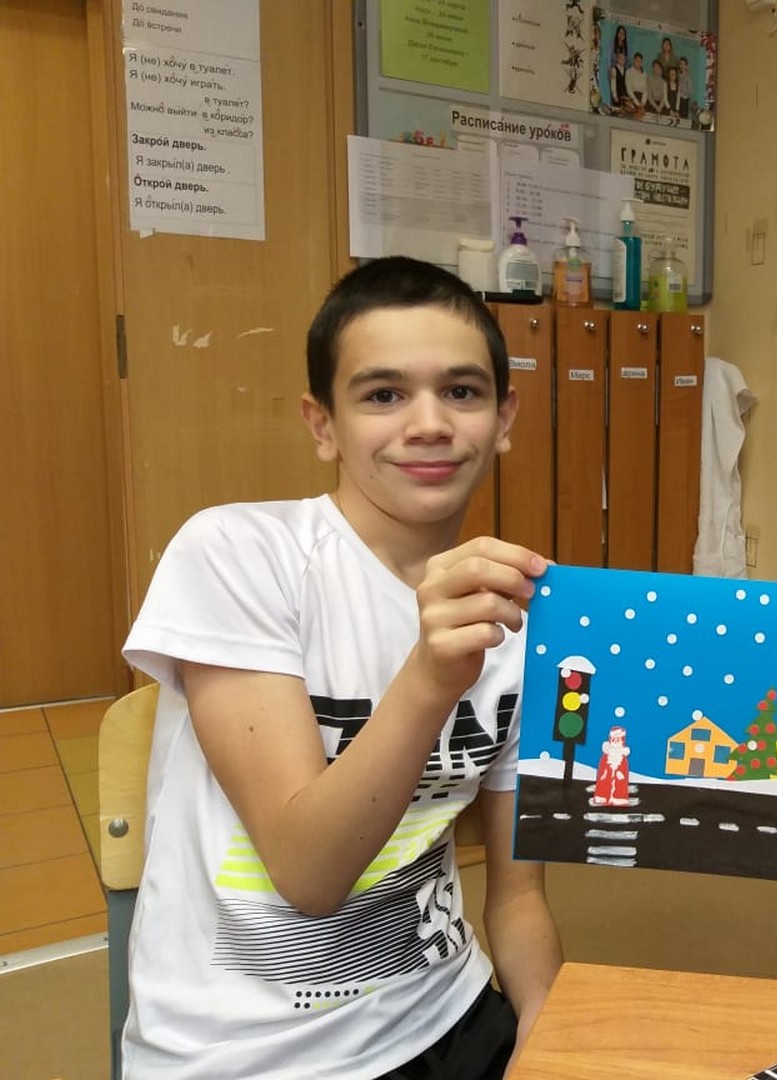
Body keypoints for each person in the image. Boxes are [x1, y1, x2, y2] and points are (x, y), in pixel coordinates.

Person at [120, 256, 562, 1079]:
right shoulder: (239, 555)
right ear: (322, 424)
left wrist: (545, 1030)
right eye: (383, 395)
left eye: (462, 391)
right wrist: (431, 679)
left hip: (447, 1008)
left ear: (504, 416)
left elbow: (519, 896)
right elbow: (309, 873)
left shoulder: (519, 620)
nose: (428, 423)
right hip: (245, 1055)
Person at [608, 24, 628, 108]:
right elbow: (609, 57)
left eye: (623, 33)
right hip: (614, 68)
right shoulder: (613, 44)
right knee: (614, 86)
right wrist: (610, 68)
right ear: (617, 33)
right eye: (620, 33)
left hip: (622, 68)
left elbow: (626, 58)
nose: (621, 35)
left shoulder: (625, 46)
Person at [624, 50, 647, 115]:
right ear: (634, 60)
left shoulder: (644, 73)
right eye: (637, 61)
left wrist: (643, 103)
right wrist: (637, 104)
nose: (639, 63)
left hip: (642, 101)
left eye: (640, 62)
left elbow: (646, 90)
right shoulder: (629, 72)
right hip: (632, 99)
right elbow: (629, 90)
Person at [676, 55, 692, 121]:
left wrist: (682, 90)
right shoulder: (678, 75)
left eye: (683, 64)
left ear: (686, 66)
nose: (682, 66)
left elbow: (690, 90)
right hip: (678, 98)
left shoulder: (688, 76)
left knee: (683, 117)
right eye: (680, 64)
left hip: (685, 99)